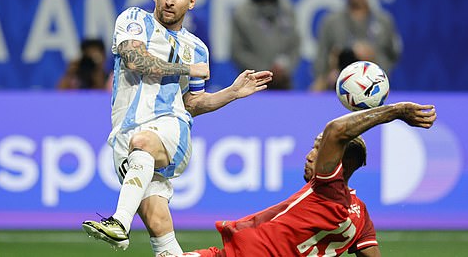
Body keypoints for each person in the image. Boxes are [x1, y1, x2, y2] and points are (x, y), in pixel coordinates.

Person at [81, 0, 273, 257]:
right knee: (161, 232)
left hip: (170, 129)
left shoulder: (196, 48)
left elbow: (191, 105)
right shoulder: (133, 20)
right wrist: (191, 70)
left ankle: (119, 222)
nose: (170, 0)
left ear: (191, 1)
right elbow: (135, 60)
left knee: (143, 141)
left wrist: (231, 94)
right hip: (125, 139)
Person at [177, 102, 436, 256]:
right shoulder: (360, 216)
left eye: (318, 148)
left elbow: (336, 130)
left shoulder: (328, 189)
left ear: (338, 163)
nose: (310, 155)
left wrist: (396, 111)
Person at [311, 0, 402, 91]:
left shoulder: (384, 21)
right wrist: (326, 75)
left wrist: (373, 56)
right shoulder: (331, 21)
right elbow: (320, 57)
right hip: (337, 87)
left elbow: (394, 55)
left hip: (374, 88)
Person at [231, 0, 300, 90]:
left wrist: (284, 67)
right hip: (253, 84)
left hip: (284, 82)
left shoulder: (287, 10)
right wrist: (264, 70)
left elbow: (295, 45)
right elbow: (237, 50)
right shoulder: (243, 13)